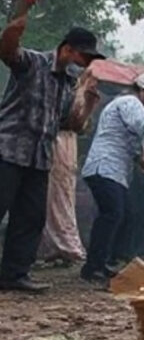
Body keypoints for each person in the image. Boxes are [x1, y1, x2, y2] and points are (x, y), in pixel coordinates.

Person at [0, 5, 105, 292]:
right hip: (8, 150)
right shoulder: (33, 62)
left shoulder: (68, 83)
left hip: (40, 158)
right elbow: (7, 50)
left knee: (31, 216)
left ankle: (13, 274)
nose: (86, 63)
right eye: (84, 56)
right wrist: (20, 18)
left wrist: (89, 104)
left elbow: (69, 123)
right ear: (68, 49)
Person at [79, 73, 144, 284]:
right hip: (105, 166)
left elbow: (138, 154)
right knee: (112, 214)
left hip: (112, 171)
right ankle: (93, 267)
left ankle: (104, 261)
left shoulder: (128, 108)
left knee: (123, 213)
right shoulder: (130, 102)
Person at [37, 63, 103, 265]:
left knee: (63, 194)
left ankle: (60, 246)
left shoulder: (82, 93)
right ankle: (60, 246)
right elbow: (72, 120)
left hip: (68, 143)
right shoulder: (67, 91)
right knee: (55, 195)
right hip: (57, 143)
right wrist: (88, 101)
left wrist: (90, 102)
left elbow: (81, 126)